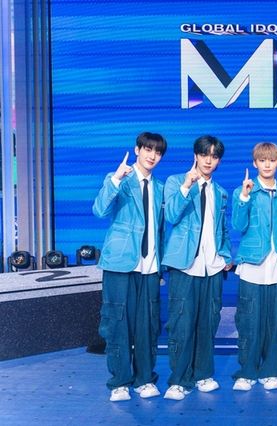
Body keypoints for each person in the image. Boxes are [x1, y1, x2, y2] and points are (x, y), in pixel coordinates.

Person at [92, 132, 167, 402]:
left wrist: (160, 267)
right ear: (137, 150)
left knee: (148, 325)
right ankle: (120, 381)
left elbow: (160, 229)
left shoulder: (160, 187)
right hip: (120, 263)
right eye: (147, 149)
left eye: (157, 152)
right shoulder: (119, 179)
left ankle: (145, 378)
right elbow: (99, 210)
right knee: (117, 323)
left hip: (150, 267)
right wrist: (115, 179)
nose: (152, 156)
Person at [162, 135, 232, 400]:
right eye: (204, 155)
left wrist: (225, 255)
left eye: (214, 156)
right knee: (182, 324)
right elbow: (171, 216)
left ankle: (203, 374)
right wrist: (186, 186)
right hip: (185, 265)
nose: (209, 160)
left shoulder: (221, 191)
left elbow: (222, 228)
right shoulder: (176, 181)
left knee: (208, 322)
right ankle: (179, 380)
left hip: (212, 267)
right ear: (196, 156)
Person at [231, 142, 277, 391]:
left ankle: (271, 371)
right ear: (255, 163)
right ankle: (247, 371)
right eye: (262, 160)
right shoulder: (243, 191)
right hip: (252, 266)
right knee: (248, 322)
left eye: (272, 160)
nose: (267, 165)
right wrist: (245, 197)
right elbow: (238, 225)